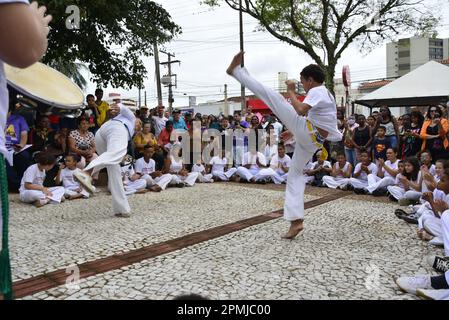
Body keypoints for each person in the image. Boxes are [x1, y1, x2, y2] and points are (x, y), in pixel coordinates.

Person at [227, 51, 342, 239]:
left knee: (274, 97)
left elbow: (300, 109)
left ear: (310, 80)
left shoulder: (317, 91)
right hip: (313, 141)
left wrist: (290, 92)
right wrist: (296, 132)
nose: (302, 86)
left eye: (302, 82)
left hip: (309, 135)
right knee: (294, 175)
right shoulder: (327, 94)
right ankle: (296, 221)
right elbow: (312, 118)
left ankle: (237, 72)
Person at [74, 103, 137, 218]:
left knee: (114, 169)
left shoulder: (128, 128)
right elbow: (126, 110)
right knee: (117, 154)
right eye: (140, 123)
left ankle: (122, 209)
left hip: (102, 132)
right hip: (116, 129)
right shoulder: (131, 119)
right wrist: (120, 107)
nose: (140, 126)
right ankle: (86, 172)